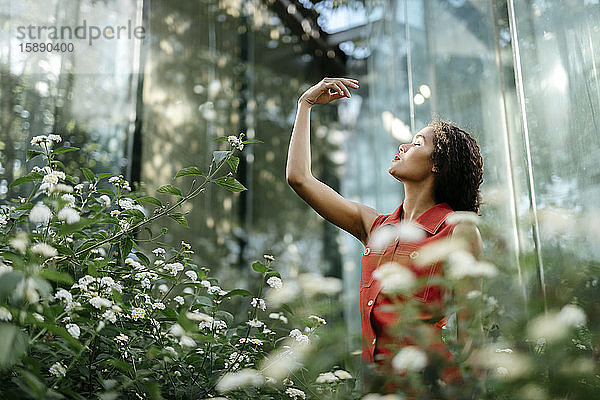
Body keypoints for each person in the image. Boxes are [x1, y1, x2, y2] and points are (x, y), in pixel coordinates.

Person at [285, 77, 484, 386]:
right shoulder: (375, 227)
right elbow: (299, 178)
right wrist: (305, 105)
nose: (403, 146)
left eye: (418, 143)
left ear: (438, 165)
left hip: (428, 389)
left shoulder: (458, 231)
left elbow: (471, 333)